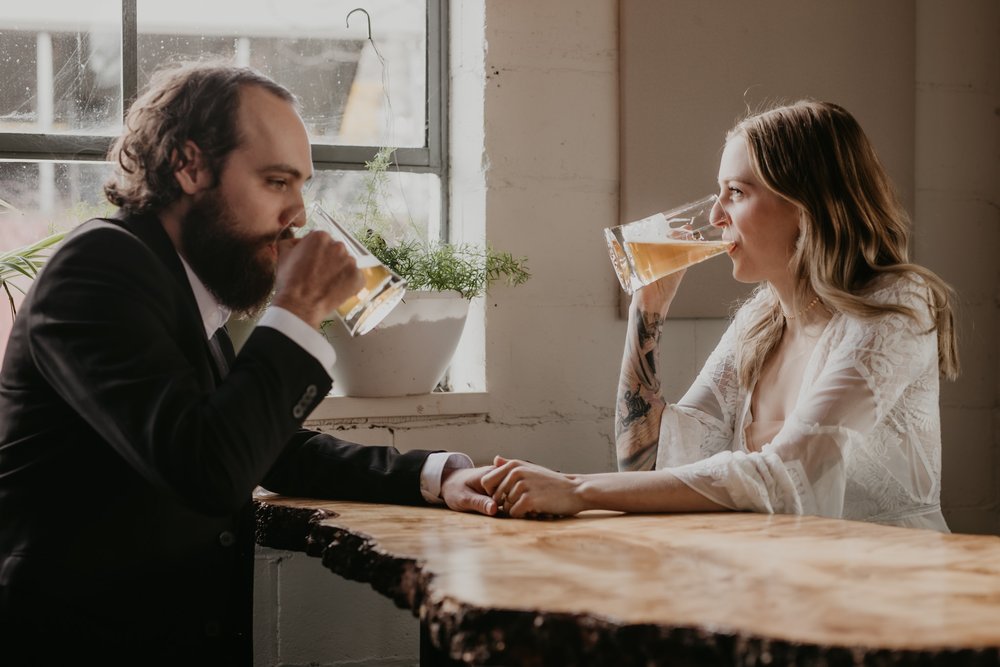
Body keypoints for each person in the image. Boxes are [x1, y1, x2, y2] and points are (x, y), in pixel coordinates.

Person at [0, 61, 495, 666]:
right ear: (189, 166)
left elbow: (269, 444)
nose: (299, 214)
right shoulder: (99, 269)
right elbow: (209, 467)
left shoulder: (181, 285)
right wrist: (298, 304)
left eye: (301, 185)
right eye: (276, 181)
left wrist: (436, 475)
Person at [482, 100, 959, 532]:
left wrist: (578, 490)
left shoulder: (897, 305)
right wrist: (647, 309)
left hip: (892, 590)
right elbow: (648, 466)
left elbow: (783, 473)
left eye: (735, 192)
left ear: (805, 204)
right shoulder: (759, 321)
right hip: (787, 582)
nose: (714, 216)